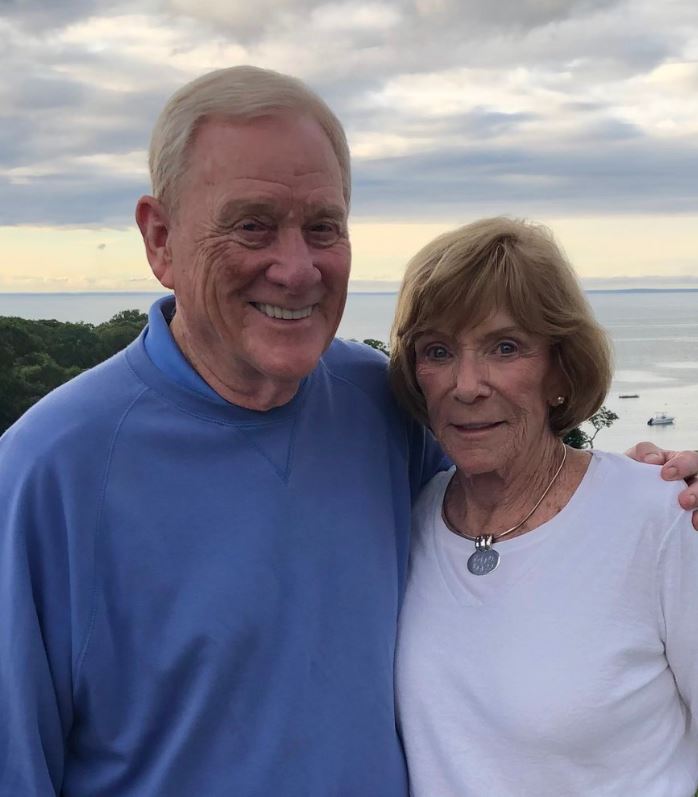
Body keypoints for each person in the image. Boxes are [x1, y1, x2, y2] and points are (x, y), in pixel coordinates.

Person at [0, 67, 696, 797]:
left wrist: (654, 486)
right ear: (160, 238)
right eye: (253, 225)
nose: (296, 269)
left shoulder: (378, 403)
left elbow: (527, 506)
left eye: (323, 227)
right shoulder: (48, 472)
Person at [391, 217, 698, 795]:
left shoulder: (662, 516)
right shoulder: (407, 521)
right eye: (438, 350)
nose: (467, 384)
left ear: (560, 367)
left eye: (505, 347)